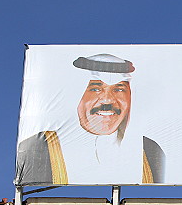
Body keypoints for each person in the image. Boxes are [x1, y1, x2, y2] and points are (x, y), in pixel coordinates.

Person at [16, 54, 165, 185]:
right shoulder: (37, 148)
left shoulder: (150, 151)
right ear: (75, 94)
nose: (107, 100)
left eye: (119, 89)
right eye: (95, 89)